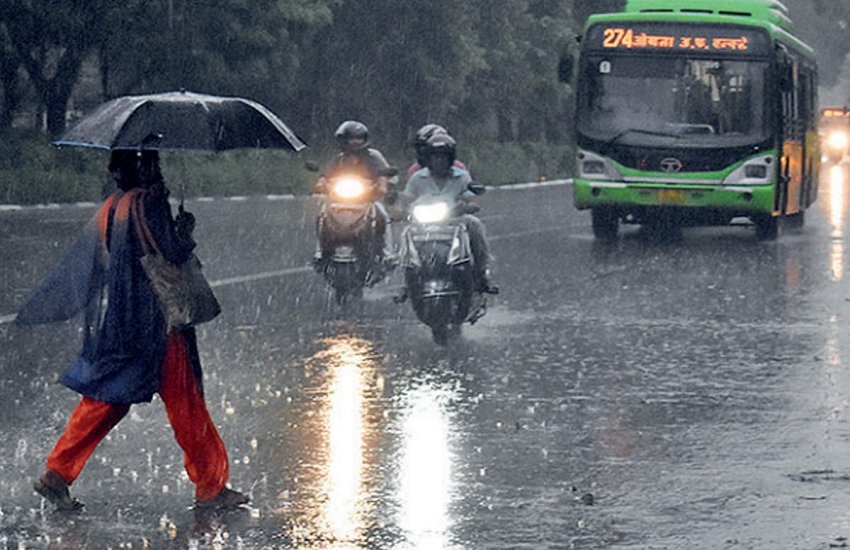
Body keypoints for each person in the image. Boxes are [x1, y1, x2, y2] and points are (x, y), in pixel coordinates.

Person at [16, 149, 248, 511]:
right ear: (144, 168)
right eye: (153, 164)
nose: (159, 170)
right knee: (186, 403)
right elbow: (169, 253)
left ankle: (57, 473)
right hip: (159, 322)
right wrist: (185, 230)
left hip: (124, 322)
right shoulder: (149, 203)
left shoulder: (112, 206)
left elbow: (101, 260)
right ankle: (210, 487)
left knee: (106, 400)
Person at [402, 134, 499, 294]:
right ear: (428, 158)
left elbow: (471, 199)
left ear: (450, 158)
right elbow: (406, 200)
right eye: (435, 157)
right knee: (406, 234)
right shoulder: (417, 178)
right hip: (423, 223)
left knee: (474, 224)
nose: (439, 161)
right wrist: (399, 211)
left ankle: (482, 274)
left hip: (455, 220)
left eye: (443, 157)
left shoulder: (461, 176)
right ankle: (408, 280)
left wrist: (468, 206)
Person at [313, 120, 396, 274]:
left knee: (383, 216)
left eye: (359, 138)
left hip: (367, 200)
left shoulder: (373, 157)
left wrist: (382, 185)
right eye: (351, 138)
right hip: (339, 201)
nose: (355, 142)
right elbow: (325, 175)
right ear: (343, 140)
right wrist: (321, 183)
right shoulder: (338, 159)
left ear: (365, 139)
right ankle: (319, 252)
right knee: (321, 215)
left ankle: (387, 254)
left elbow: (382, 174)